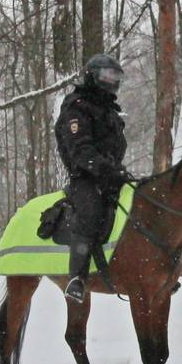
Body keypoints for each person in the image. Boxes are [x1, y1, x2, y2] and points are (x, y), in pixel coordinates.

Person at [55, 53, 130, 303]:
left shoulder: (110, 112)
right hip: (86, 179)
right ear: (93, 75)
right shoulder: (76, 108)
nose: (112, 81)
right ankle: (77, 278)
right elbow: (80, 151)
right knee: (90, 212)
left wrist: (116, 171)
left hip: (112, 177)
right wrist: (104, 168)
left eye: (115, 76)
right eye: (107, 75)